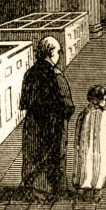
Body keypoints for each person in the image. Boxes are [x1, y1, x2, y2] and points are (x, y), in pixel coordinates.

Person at [18, 37, 75, 200]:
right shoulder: (56, 75)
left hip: (33, 122)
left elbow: (24, 102)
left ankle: (34, 189)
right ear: (50, 53)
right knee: (55, 154)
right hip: (53, 122)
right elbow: (68, 105)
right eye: (58, 51)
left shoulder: (29, 73)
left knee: (33, 153)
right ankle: (54, 190)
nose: (60, 55)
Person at [72, 86, 106, 202]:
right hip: (101, 154)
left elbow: (77, 135)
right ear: (99, 100)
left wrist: (78, 148)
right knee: (99, 173)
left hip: (85, 152)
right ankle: (95, 194)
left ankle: (86, 192)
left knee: (86, 171)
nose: (105, 101)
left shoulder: (83, 115)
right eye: (104, 98)